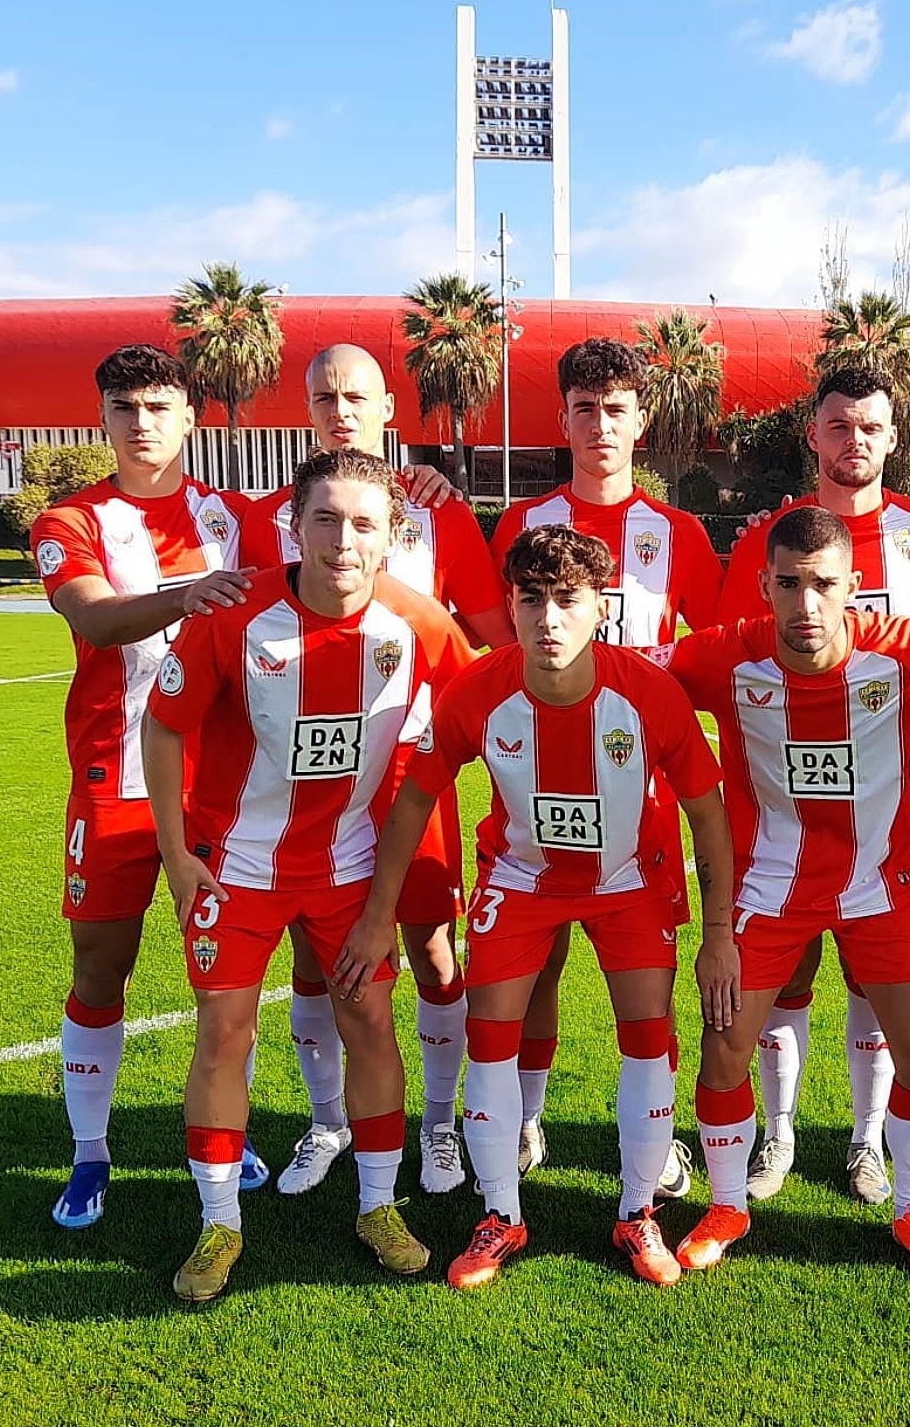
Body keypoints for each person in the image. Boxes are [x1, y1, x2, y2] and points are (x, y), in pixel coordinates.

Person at [335, 525, 737, 1289]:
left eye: (567, 600)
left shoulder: (648, 694)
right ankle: (500, 1216)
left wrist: (716, 933)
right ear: (511, 608)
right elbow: (416, 796)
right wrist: (378, 911)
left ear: (600, 608)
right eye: (532, 601)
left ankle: (638, 1211)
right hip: (521, 878)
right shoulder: (477, 693)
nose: (549, 619)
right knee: (491, 1039)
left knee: (649, 1038)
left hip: (627, 881)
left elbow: (708, 813)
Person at [144, 447, 476, 1302]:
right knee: (224, 1033)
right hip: (239, 868)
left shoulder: (420, 625)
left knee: (368, 1021)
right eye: (324, 518)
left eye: (364, 522)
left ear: (392, 536)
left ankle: (376, 1205)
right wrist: (178, 857)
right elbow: (163, 727)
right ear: (295, 526)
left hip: (351, 870)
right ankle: (219, 1225)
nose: (342, 540)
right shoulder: (231, 615)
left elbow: (493, 711)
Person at [661, 506, 910, 1281]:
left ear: (854, 588)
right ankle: (727, 1205)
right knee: (723, 1047)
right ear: (764, 585)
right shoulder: (726, 658)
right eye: (787, 585)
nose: (805, 605)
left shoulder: (905, 655)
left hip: (877, 888)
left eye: (823, 585)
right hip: (768, 889)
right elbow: (628, 669)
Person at [239, 344, 511, 1201]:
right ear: (306, 407)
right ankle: (328, 1124)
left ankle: (436, 1126)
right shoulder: (271, 519)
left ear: (389, 406)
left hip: (410, 778)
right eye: (324, 396)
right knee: (316, 964)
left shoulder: (440, 513)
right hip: (301, 787)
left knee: (434, 950)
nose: (339, 409)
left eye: (356, 395)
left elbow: (489, 643)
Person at [477, 338, 725, 1195]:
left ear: (641, 420)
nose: (600, 425)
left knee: (650, 989)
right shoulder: (522, 523)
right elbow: (490, 639)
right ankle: (527, 1118)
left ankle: (661, 1144)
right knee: (533, 968)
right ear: (564, 418)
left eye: (617, 408)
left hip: (640, 811)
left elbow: (717, 651)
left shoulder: (680, 534)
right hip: (536, 797)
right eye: (585, 408)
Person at [718, 365, 910, 1207]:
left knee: (873, 982)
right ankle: (776, 1138)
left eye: (871, 427)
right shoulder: (764, 538)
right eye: (837, 426)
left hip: (887, 799)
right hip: (778, 805)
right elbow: (735, 646)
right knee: (784, 981)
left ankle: (865, 1142)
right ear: (814, 436)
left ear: (894, 438)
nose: (854, 441)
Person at [32, 343, 259, 1230]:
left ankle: (223, 1133)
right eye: (125, 408)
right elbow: (92, 616)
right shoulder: (72, 521)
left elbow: (341, 522)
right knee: (101, 967)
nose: (142, 423)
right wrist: (194, 595)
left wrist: (423, 487)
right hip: (114, 779)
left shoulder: (237, 516)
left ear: (189, 418)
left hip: (224, 791)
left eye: (159, 406)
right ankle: (90, 1155)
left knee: (224, 984)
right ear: (103, 418)